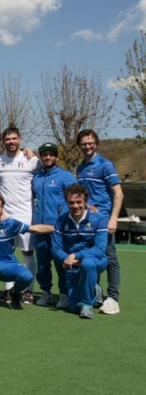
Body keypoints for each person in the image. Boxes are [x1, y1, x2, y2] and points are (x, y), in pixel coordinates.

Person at [0, 193, 54, 309]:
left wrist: (57, 228)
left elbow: (34, 229)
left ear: (2, 208)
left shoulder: (11, 223)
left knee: (27, 276)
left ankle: (14, 293)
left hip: (8, 264)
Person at [75, 129, 124, 315]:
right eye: (84, 143)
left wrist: (113, 218)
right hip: (88, 221)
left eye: (91, 143)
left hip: (103, 220)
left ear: (96, 143)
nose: (87, 146)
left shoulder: (106, 165)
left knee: (110, 256)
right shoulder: (80, 168)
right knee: (91, 257)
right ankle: (96, 292)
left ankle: (113, 298)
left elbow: (118, 193)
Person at [0, 126, 40, 303]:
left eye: (14, 138)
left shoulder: (32, 159)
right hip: (5, 216)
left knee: (28, 253)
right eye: (8, 139)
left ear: (20, 139)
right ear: (3, 141)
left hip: (26, 214)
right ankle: (8, 290)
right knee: (7, 253)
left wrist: (31, 151)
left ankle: (28, 290)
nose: (11, 142)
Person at [51, 184, 109, 319]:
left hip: (95, 260)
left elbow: (99, 249)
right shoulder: (61, 221)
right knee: (73, 308)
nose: (75, 206)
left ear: (85, 202)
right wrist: (67, 258)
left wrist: (76, 256)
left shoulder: (98, 218)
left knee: (87, 264)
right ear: (66, 203)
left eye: (79, 202)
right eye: (71, 202)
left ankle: (87, 305)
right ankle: (95, 291)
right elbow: (56, 248)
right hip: (71, 262)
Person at [31, 142, 76, 307]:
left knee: (60, 262)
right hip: (39, 228)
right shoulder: (36, 177)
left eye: (51, 154)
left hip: (58, 229)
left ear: (56, 156)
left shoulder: (65, 176)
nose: (47, 157)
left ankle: (64, 294)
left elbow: (78, 197)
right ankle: (45, 292)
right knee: (42, 264)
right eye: (44, 154)